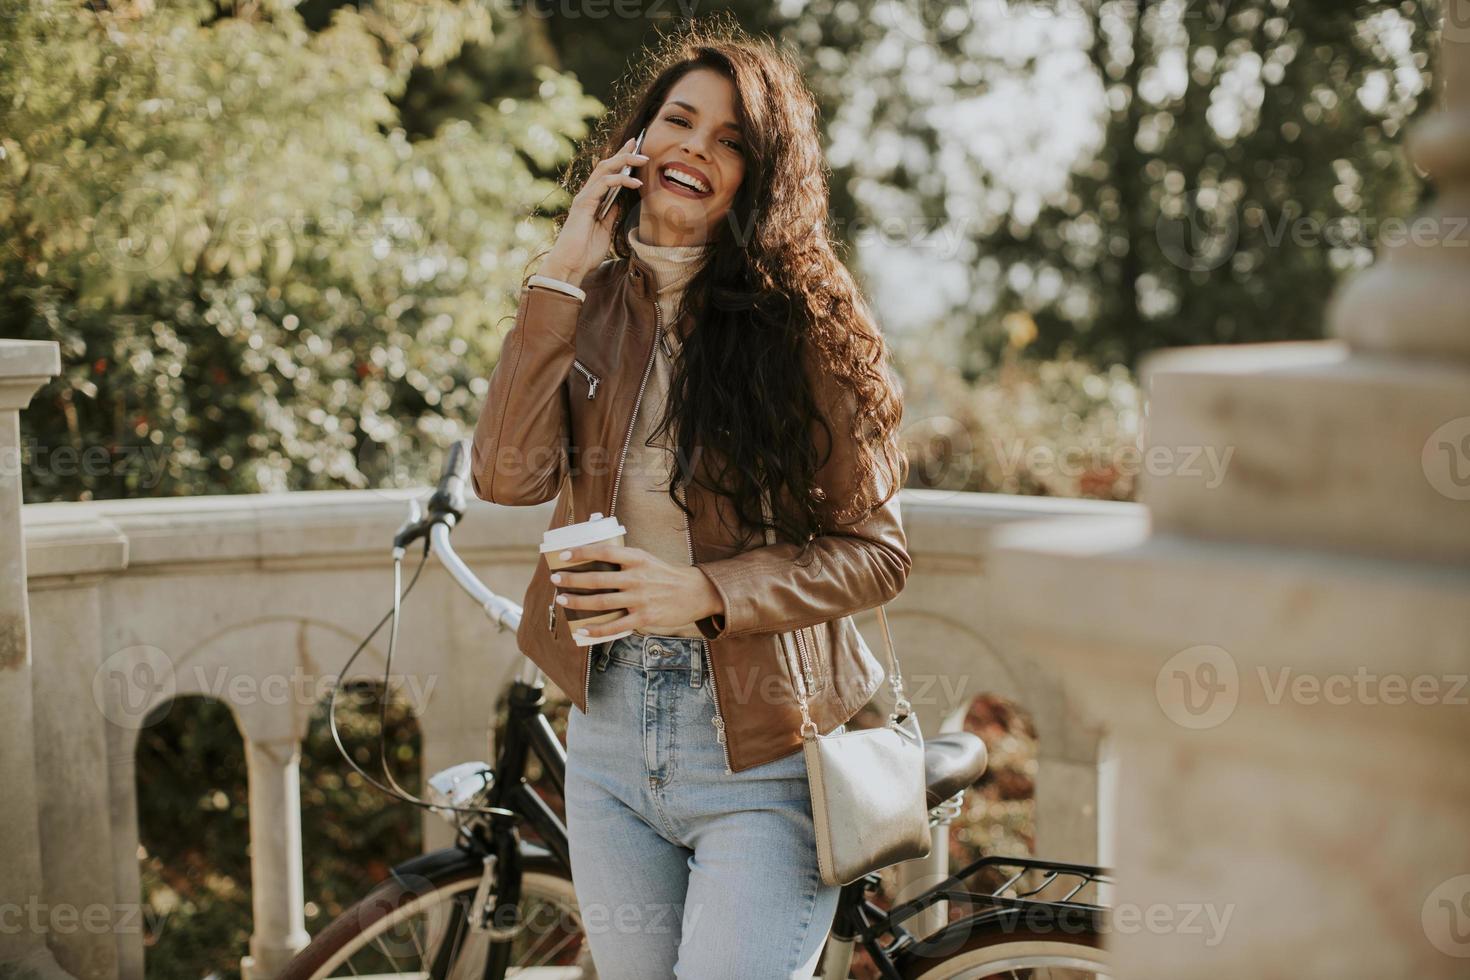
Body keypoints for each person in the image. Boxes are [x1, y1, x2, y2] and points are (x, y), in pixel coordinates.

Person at [470, 21, 911, 980]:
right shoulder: (587, 298)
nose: (695, 150)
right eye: (680, 121)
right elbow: (505, 479)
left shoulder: (810, 318)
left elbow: (877, 552)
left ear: (762, 179)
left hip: (762, 749)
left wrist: (703, 593)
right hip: (608, 737)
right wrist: (559, 272)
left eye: (731, 142)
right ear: (637, 141)